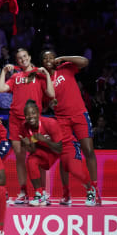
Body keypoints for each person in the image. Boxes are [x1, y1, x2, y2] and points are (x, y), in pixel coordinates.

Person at [41, 50, 101, 206]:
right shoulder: (43, 80)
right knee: (65, 156)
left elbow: (85, 62)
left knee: (88, 149)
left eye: (51, 57)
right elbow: (45, 104)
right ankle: (66, 194)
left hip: (79, 114)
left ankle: (93, 189)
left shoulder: (66, 68)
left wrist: (63, 57)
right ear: (42, 63)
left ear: (55, 59)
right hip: (62, 120)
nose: (48, 59)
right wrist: (50, 104)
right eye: (45, 58)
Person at [0, 48, 54, 204]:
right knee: (20, 158)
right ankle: (23, 192)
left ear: (29, 57)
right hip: (16, 121)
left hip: (34, 122)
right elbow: (1, 89)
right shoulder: (16, 77)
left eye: (24, 56)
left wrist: (47, 74)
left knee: (39, 156)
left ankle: (42, 192)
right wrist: (3, 71)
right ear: (17, 61)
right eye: (19, 58)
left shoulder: (39, 74)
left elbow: (51, 94)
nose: (22, 60)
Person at [19, 100, 93, 206]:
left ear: (38, 113)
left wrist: (45, 140)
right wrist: (26, 145)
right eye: (27, 114)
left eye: (33, 113)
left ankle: (91, 190)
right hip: (48, 149)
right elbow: (34, 150)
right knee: (31, 160)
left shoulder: (50, 123)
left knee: (75, 170)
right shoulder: (25, 127)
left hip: (66, 145)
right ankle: (39, 194)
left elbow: (59, 148)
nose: (30, 116)